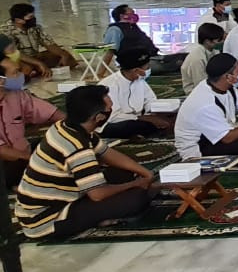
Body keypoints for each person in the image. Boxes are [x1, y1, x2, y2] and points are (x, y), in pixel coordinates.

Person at [15, 85, 154, 240]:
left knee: (124, 172)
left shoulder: (66, 126)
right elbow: (98, 194)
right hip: (47, 219)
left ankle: (96, 213)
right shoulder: (77, 147)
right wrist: (135, 184)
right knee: (136, 199)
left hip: (59, 198)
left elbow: (106, 152)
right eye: (109, 107)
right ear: (99, 117)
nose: (111, 110)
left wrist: (144, 172)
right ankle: (95, 218)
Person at [0, 72, 63, 185]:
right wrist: (38, 161)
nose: (21, 75)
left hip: (24, 156)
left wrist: (77, 128)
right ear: (1, 80)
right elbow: (3, 151)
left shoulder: (16, 96)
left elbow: (52, 113)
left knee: (57, 142)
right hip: (7, 163)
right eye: (16, 71)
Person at [100, 49, 169, 138]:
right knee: (134, 126)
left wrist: (153, 114)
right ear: (136, 70)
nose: (149, 70)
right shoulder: (109, 85)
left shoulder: (140, 80)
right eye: (147, 67)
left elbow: (150, 100)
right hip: (113, 123)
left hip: (138, 117)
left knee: (169, 116)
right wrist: (142, 118)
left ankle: (142, 133)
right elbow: (113, 116)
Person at [3, 3, 75, 71]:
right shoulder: (6, 31)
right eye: (30, 17)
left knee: (66, 56)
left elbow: (48, 43)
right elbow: (14, 53)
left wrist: (63, 55)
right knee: (25, 69)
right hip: (14, 59)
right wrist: (39, 63)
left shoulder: (35, 27)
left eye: (33, 16)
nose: (34, 19)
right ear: (18, 20)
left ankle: (37, 70)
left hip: (33, 57)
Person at [102, 4, 160, 73]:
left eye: (134, 13)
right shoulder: (115, 30)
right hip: (135, 62)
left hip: (150, 58)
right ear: (122, 16)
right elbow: (110, 52)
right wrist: (100, 73)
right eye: (131, 13)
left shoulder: (133, 27)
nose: (134, 15)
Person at [181, 23, 225, 94]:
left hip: (211, 84)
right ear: (207, 41)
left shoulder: (213, 50)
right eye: (219, 40)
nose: (222, 42)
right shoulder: (197, 58)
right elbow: (200, 84)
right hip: (196, 92)